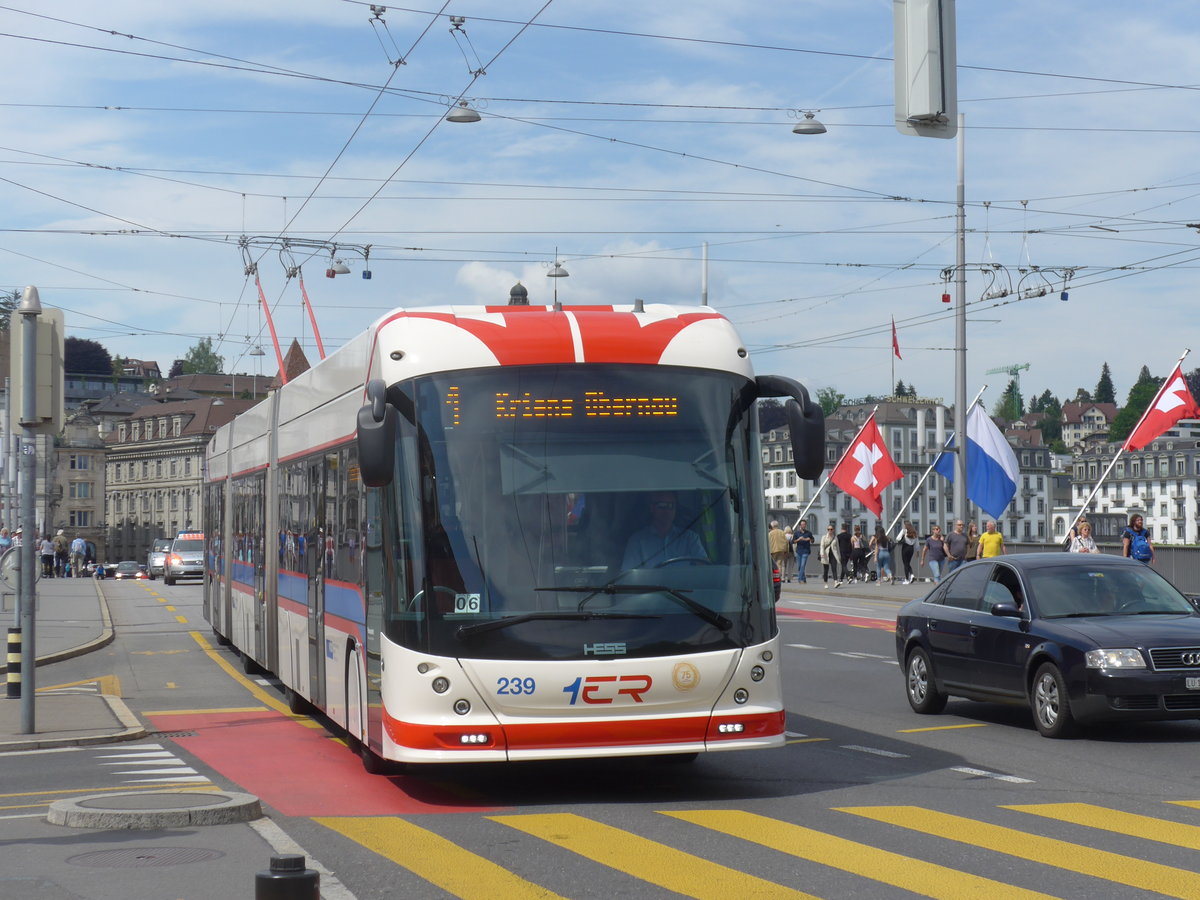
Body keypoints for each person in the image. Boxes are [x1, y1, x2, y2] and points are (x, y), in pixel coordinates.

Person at [622, 492, 707, 569]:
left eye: (671, 505)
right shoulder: (637, 541)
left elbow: (705, 570)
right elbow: (628, 576)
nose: (667, 511)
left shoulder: (690, 538)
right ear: (652, 508)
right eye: (661, 505)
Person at [791, 519, 814, 584]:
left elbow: (812, 540)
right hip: (799, 551)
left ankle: (800, 579)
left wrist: (809, 539)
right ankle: (804, 578)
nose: (803, 525)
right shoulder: (796, 533)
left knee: (802, 565)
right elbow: (793, 541)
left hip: (806, 551)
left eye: (804, 524)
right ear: (800, 525)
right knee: (799, 566)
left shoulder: (808, 533)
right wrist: (798, 539)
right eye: (802, 524)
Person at [819, 524, 840, 588]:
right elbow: (822, 546)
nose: (830, 530)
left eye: (831, 529)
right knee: (826, 570)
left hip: (833, 555)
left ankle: (836, 582)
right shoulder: (824, 537)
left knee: (834, 568)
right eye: (828, 529)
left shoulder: (835, 537)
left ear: (833, 530)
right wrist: (822, 553)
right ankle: (826, 583)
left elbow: (837, 547)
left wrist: (839, 556)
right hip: (826, 554)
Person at [834, 522, 853, 587]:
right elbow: (851, 544)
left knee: (843, 565)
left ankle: (849, 576)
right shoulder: (849, 535)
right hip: (849, 552)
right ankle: (841, 579)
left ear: (841, 528)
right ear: (846, 528)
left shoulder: (839, 536)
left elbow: (837, 545)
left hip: (842, 552)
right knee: (844, 566)